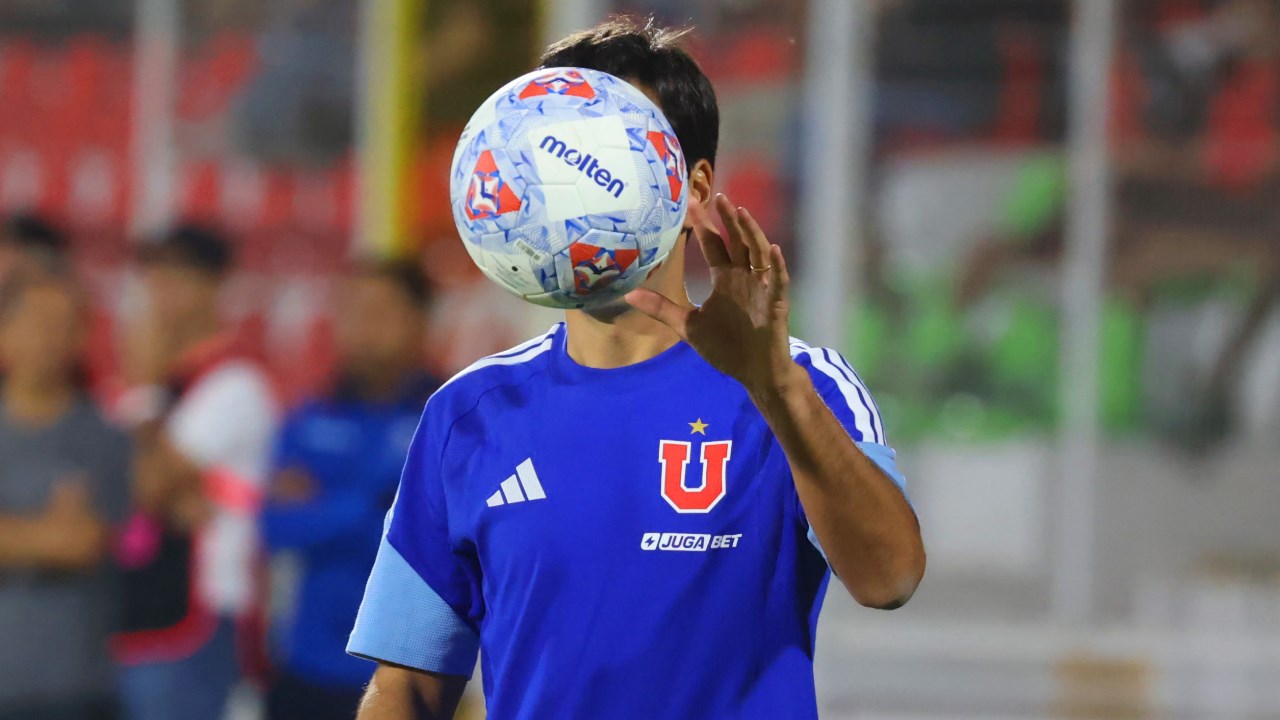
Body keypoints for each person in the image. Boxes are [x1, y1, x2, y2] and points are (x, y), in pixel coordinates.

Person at [348, 18, 925, 720]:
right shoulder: (468, 414)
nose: (567, 184)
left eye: (607, 153)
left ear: (694, 189)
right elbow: (407, 686)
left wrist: (776, 390)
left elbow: (890, 579)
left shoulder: (801, 382)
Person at [111, 225, 278, 720]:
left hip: (202, 610)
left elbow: (146, 483)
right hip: (137, 605)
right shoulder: (154, 389)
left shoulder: (235, 384)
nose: (160, 293)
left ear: (213, 285)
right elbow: (110, 482)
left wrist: (145, 391)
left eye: (176, 277)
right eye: (153, 278)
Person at [262, 259, 440, 719]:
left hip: (407, 676)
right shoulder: (309, 416)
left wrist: (323, 504)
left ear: (420, 321)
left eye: (380, 311)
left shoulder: (449, 420)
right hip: (305, 669)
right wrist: (374, 501)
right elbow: (275, 527)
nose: (364, 327)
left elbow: (435, 544)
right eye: (354, 311)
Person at [0, 272, 130, 720]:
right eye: (36, 321)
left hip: (72, 689)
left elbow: (80, 544)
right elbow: (58, 540)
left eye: (63, 324)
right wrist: (45, 531)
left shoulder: (103, 437)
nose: (48, 338)